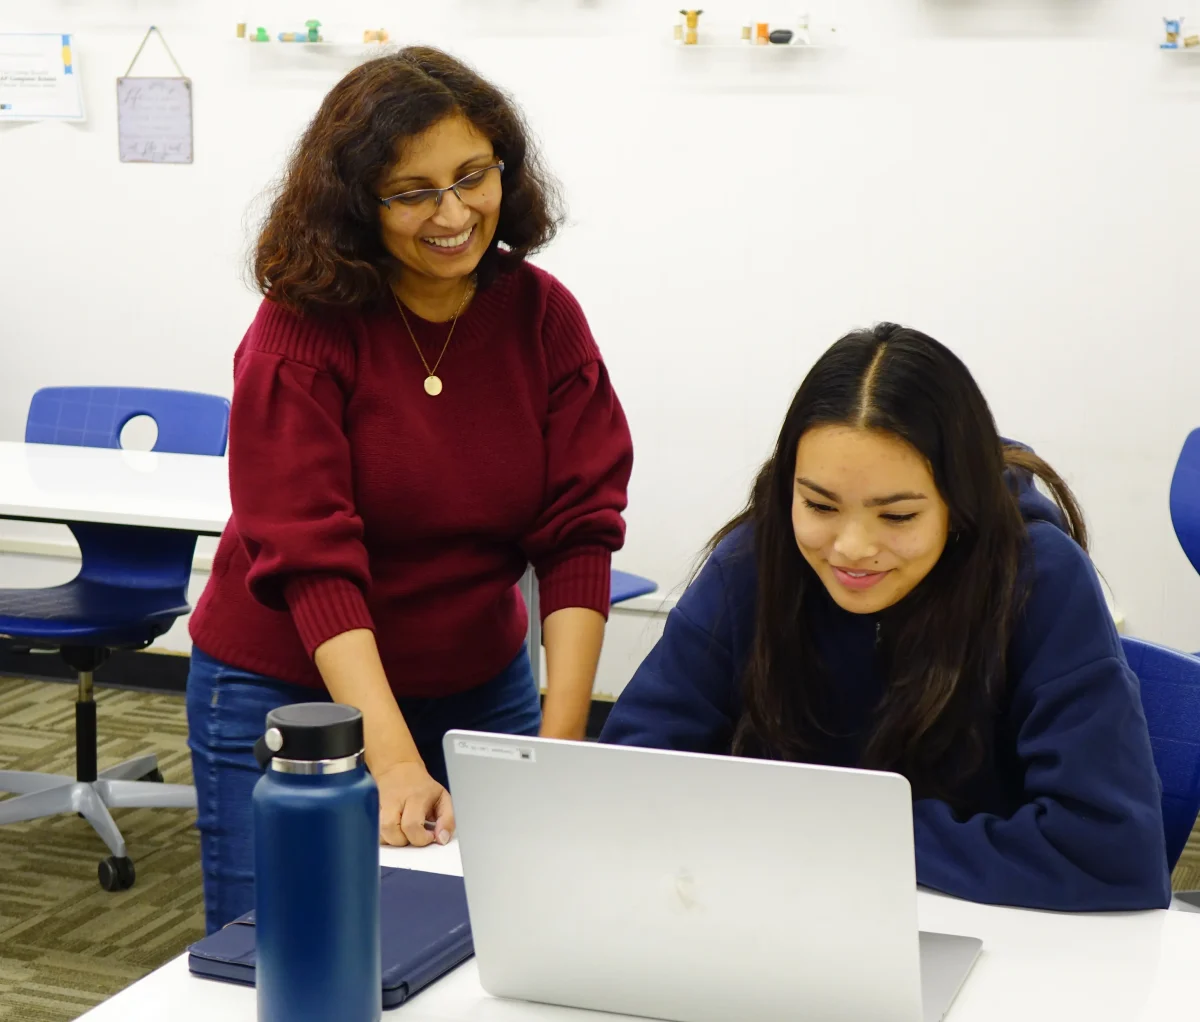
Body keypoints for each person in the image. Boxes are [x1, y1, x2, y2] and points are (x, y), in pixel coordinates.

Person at [187, 47, 633, 933]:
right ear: (357, 202)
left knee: (499, 934)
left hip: (479, 681)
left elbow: (581, 529)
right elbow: (313, 559)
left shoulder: (542, 316)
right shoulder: (300, 332)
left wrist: (562, 738)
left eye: (474, 176)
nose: (454, 212)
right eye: (413, 191)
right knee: (285, 949)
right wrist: (385, 754)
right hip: (294, 688)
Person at [600, 324, 1171, 912]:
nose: (850, 547)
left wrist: (840, 832)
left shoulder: (1040, 579)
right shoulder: (755, 558)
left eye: (896, 516)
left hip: (990, 936)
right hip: (774, 921)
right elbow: (625, 780)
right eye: (819, 505)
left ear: (961, 503)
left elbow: (1112, 853)